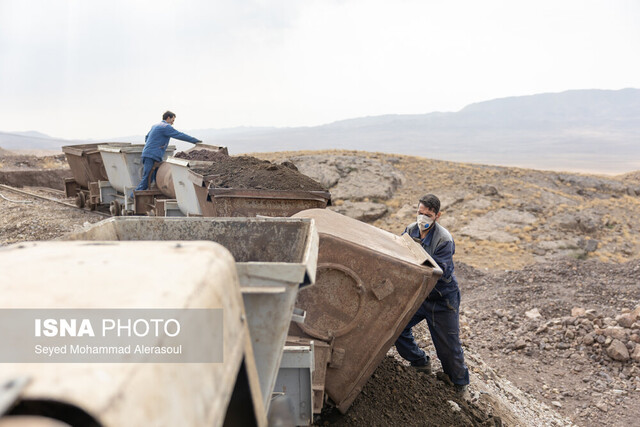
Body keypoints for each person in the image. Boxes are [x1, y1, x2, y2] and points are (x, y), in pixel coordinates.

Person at [395, 194, 470, 394]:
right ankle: (419, 361)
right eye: (420, 213)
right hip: (420, 294)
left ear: (437, 216)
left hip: (442, 297)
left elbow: (437, 270)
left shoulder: (444, 239)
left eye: (428, 215)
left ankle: (460, 384)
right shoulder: (410, 231)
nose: (422, 218)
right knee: (396, 326)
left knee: (448, 347)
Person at [133, 111, 202, 195]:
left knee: (156, 178)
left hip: (150, 154)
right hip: (152, 155)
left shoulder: (155, 126)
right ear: (168, 118)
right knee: (147, 178)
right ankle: (134, 196)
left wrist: (154, 144)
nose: (173, 123)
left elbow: (147, 137)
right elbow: (179, 135)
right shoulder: (166, 127)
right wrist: (195, 141)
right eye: (173, 120)